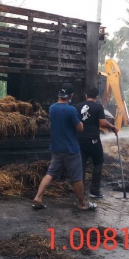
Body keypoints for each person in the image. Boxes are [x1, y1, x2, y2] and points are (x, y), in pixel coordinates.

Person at [33, 83, 97, 211]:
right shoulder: (71, 110)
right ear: (71, 95)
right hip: (70, 149)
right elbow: (79, 128)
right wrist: (81, 122)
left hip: (56, 147)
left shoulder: (52, 108)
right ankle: (82, 203)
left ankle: (38, 197)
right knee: (77, 177)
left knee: (50, 173)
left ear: (60, 94)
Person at [75, 87, 118, 199]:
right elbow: (102, 122)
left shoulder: (78, 106)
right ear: (97, 97)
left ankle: (80, 192)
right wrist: (112, 126)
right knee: (98, 162)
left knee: (81, 165)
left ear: (86, 95)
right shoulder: (98, 106)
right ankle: (94, 191)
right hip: (93, 140)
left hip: (81, 139)